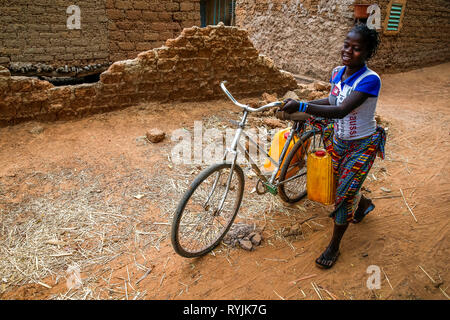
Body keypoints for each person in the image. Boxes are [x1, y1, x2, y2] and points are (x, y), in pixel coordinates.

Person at [282, 23, 386, 269]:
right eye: (346, 45)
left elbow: (341, 110)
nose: (349, 51)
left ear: (368, 53)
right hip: (338, 142)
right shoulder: (338, 72)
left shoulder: (371, 80)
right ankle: (365, 204)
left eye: (357, 48)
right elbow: (331, 99)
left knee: (343, 195)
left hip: (362, 145)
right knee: (343, 183)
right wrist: (301, 103)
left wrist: (303, 107)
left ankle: (334, 246)